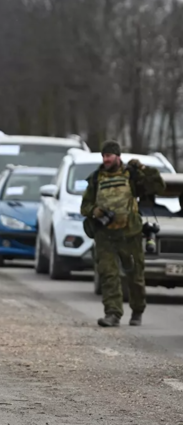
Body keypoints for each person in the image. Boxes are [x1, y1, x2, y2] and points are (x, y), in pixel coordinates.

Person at [81, 140, 165, 328]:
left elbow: (158, 187)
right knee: (109, 275)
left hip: (130, 234)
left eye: (109, 156)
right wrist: (95, 211)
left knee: (135, 275)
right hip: (105, 235)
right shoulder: (96, 179)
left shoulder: (132, 176)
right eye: (103, 156)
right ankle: (112, 313)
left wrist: (143, 168)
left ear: (118, 156)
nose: (106, 159)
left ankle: (137, 310)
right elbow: (84, 205)